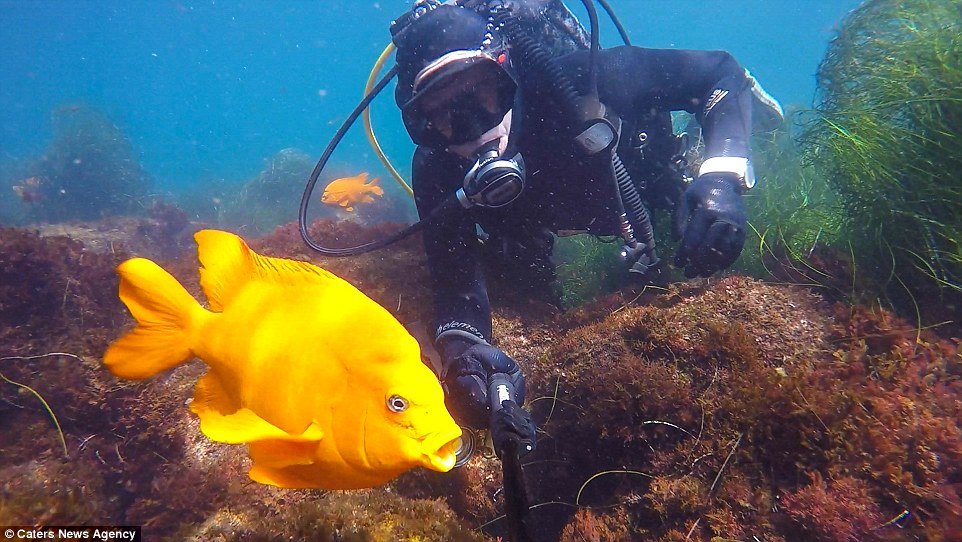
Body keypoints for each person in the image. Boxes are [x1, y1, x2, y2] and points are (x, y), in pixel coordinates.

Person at [390, 0, 766, 456]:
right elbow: (455, 281)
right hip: (536, 224)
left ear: (507, 77)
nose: (470, 128)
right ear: (421, 123)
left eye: (480, 95)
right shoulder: (435, 169)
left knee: (690, 200)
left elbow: (719, 73)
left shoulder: (587, 80)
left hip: (638, 178)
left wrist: (721, 176)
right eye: (443, 113)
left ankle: (747, 132)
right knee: (519, 271)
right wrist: (461, 350)